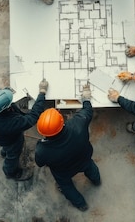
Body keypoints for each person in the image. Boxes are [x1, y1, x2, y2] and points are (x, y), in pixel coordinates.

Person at [35, 84, 101, 212]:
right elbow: (87, 111)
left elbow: (39, 163)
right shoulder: (78, 124)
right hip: (84, 159)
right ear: (62, 122)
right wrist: (86, 98)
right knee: (91, 168)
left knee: (66, 186)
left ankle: (81, 204)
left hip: (63, 171)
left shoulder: (42, 150)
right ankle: (96, 180)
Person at [0, 79, 49, 181]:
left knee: (6, 148)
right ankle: (10, 172)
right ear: (4, 109)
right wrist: (42, 93)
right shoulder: (8, 123)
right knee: (13, 155)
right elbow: (33, 117)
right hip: (10, 140)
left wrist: (5, 92)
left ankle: (4, 152)